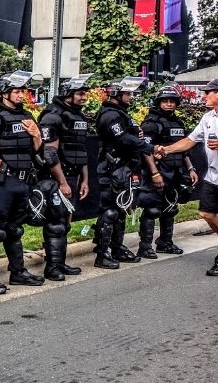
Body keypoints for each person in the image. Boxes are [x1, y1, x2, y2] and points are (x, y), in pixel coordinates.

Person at [155, 78, 218, 276]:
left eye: (208, 92)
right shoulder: (208, 117)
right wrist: (166, 150)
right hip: (212, 175)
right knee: (206, 213)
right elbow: (190, 140)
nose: (204, 96)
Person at [0, 71, 46, 293]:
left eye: (23, 91)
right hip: (1, 182)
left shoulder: (26, 116)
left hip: (23, 181)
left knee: (15, 229)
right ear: (5, 92)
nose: (21, 95)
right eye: (17, 91)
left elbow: (38, 151)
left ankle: (18, 272)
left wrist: (36, 135)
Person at [92, 77, 154, 269]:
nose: (130, 96)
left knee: (119, 211)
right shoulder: (110, 115)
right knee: (109, 212)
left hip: (123, 169)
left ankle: (117, 248)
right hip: (110, 170)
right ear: (116, 94)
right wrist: (149, 147)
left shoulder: (121, 114)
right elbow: (123, 139)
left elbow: (132, 134)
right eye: (127, 93)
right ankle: (102, 254)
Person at [35, 75, 90, 280]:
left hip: (74, 175)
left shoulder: (78, 117)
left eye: (85, 92)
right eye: (80, 93)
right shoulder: (52, 116)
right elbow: (49, 153)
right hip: (57, 178)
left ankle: (60, 263)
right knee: (56, 223)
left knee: (65, 222)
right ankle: (52, 268)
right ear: (68, 94)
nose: (85, 96)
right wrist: (62, 182)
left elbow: (81, 150)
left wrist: (84, 179)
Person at [136, 85, 199, 259]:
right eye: (165, 101)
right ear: (159, 102)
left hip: (176, 170)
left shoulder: (178, 123)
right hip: (157, 171)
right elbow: (146, 150)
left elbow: (183, 149)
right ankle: (145, 246)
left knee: (171, 208)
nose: (169, 104)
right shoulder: (151, 123)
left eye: (172, 101)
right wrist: (154, 173)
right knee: (152, 209)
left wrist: (190, 168)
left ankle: (165, 242)